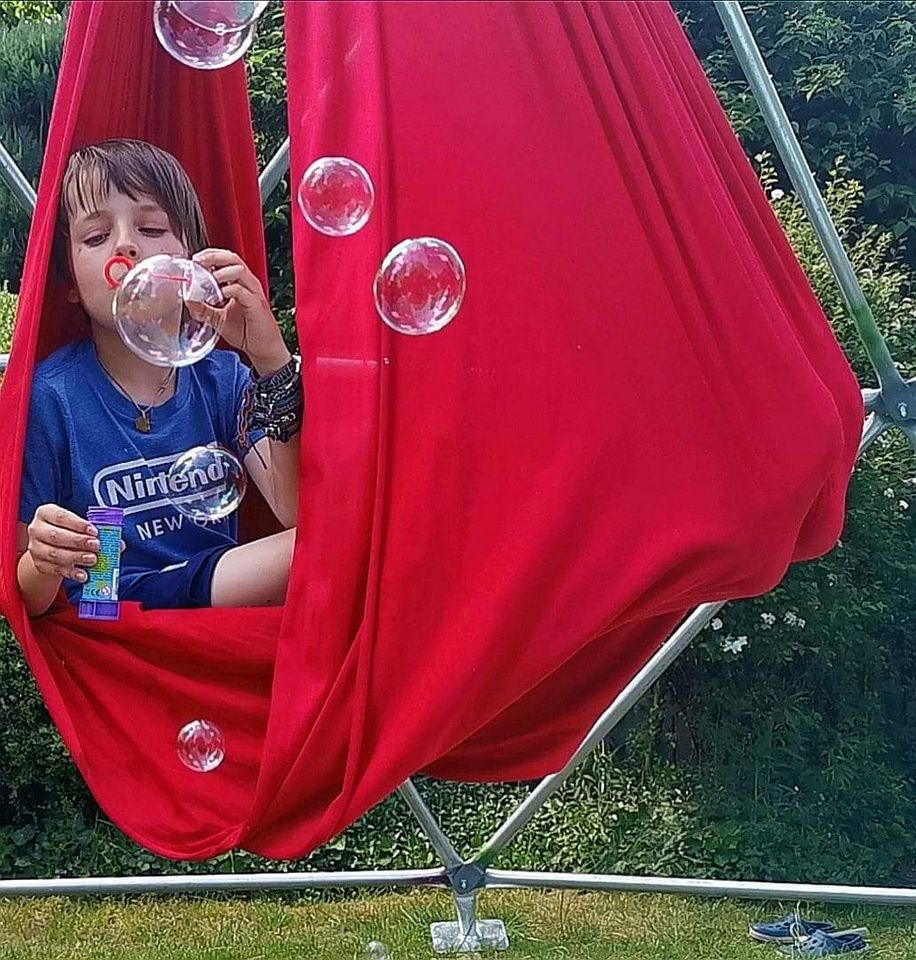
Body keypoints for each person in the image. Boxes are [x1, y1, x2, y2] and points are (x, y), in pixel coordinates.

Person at [16, 138, 300, 617]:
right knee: (341, 546)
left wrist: (271, 357)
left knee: (341, 537)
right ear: (69, 285)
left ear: (191, 260)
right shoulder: (51, 395)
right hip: (112, 615)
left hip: (215, 604)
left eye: (150, 227)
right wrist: (44, 561)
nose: (126, 244)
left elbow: (293, 509)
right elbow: (30, 599)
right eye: (95, 237)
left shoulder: (224, 378)